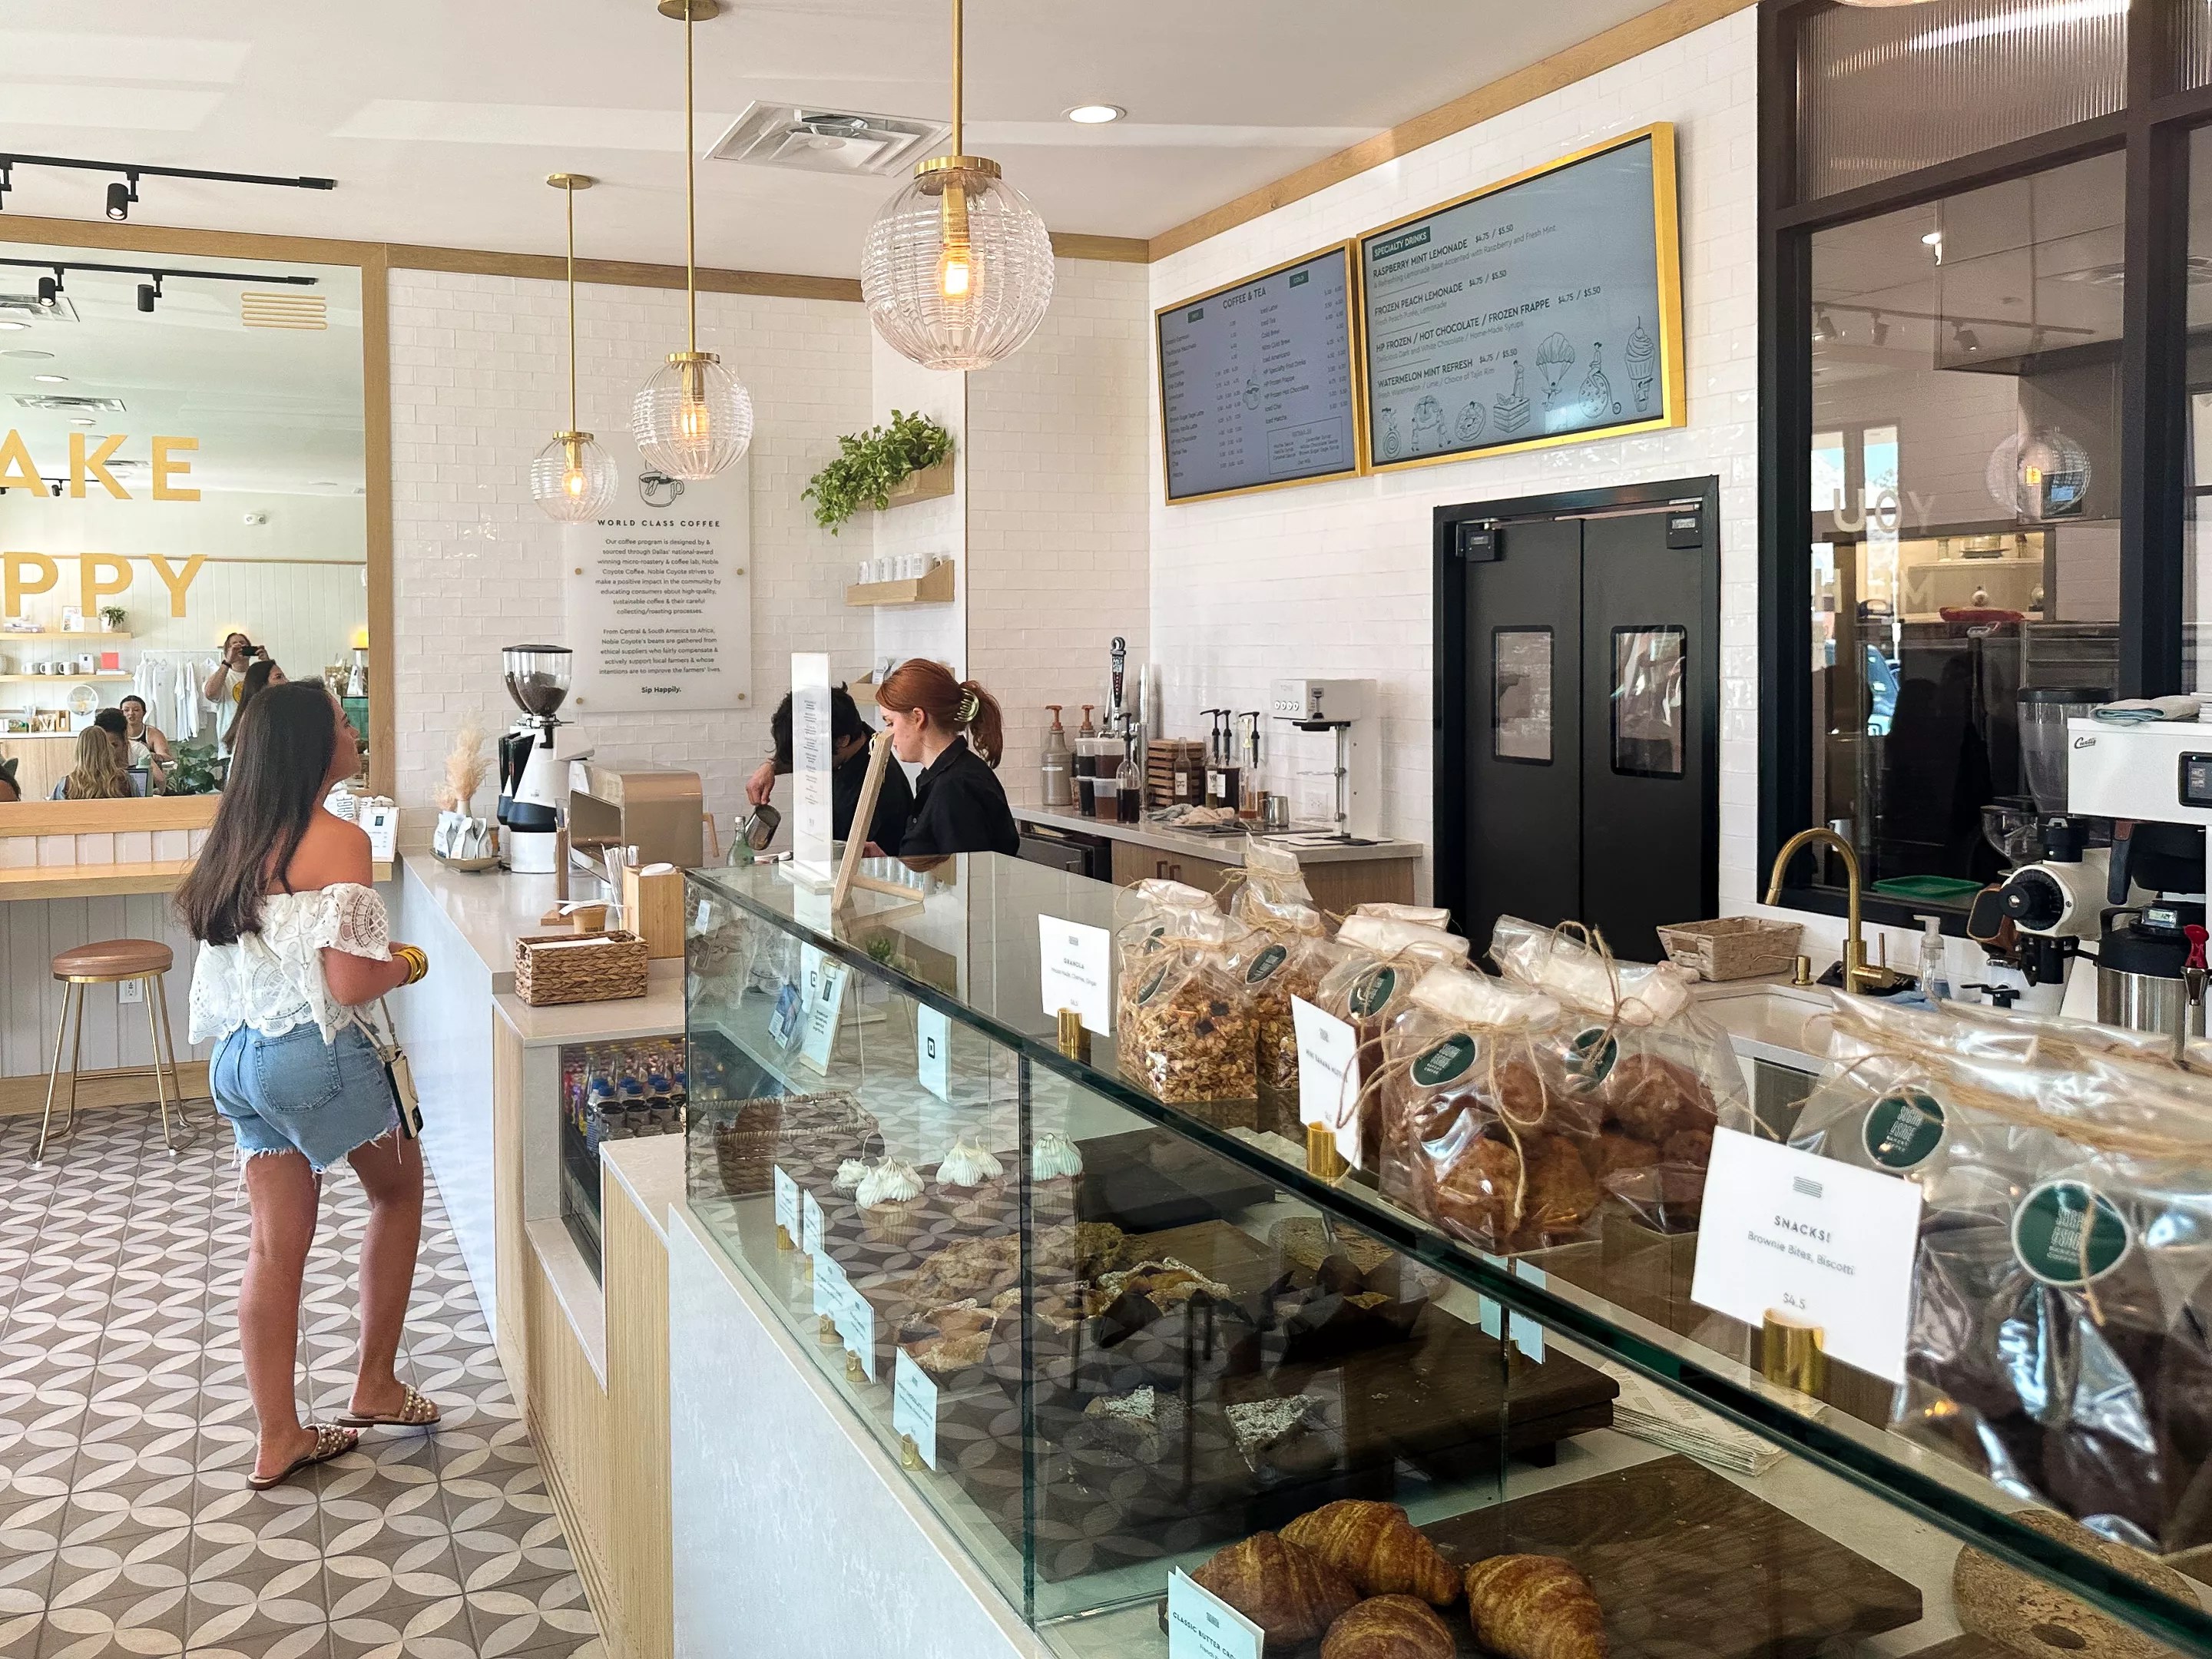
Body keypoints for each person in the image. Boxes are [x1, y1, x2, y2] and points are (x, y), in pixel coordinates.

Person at [177, 681, 439, 1488]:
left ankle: (280, 1436)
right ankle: (376, 1384)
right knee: (398, 1192)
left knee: (271, 1246)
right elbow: (352, 982)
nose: (352, 731)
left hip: (238, 1062)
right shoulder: (340, 840)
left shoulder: (234, 839)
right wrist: (410, 962)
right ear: (311, 747)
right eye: (339, 723)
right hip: (311, 1055)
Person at [874, 660, 1021, 858]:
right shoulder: (943, 776)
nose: (887, 734)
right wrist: (888, 864)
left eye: (890, 723)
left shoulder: (954, 787)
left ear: (918, 717)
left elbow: (964, 873)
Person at [745, 684, 912, 853]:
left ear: (842, 741)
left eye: (812, 751)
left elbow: (853, 858)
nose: (806, 760)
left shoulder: (878, 790)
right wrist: (770, 767)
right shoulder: (855, 737)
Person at [202, 631, 266, 750]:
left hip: (259, 742)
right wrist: (227, 662)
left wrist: (267, 664)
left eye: (243, 643)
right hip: (231, 745)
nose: (239, 646)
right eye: (234, 644)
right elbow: (210, 693)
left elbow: (281, 695)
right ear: (228, 652)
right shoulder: (222, 677)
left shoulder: (260, 676)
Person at [51, 724, 133, 800]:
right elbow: (137, 807)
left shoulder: (66, 784)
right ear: (108, 749)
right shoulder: (125, 781)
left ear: (79, 752)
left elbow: (52, 809)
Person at [120, 694, 173, 786]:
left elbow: (167, 757)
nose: (131, 713)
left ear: (144, 713)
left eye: (136, 710)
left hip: (150, 781)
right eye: (126, 710)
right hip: (122, 779)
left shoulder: (153, 734)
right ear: (121, 713)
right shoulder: (116, 734)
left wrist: (154, 756)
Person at [232, 657, 286, 736]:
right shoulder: (254, 718)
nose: (286, 681)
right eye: (278, 677)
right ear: (261, 684)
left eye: (284, 677)